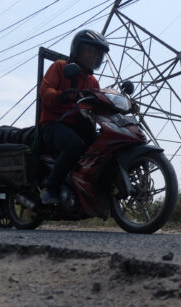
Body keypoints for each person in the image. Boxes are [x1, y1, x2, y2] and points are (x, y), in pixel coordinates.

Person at [38, 29, 109, 204]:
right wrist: (62, 95)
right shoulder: (60, 67)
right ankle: (51, 188)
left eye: (96, 54)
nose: (93, 56)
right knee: (74, 145)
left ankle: (88, 188)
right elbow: (45, 92)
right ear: (77, 50)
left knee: (105, 146)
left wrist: (125, 107)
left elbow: (100, 105)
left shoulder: (92, 81)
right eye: (89, 51)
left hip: (79, 126)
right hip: (53, 124)